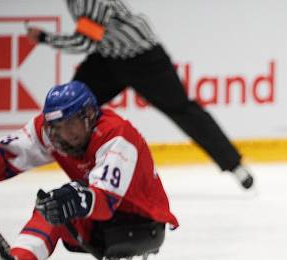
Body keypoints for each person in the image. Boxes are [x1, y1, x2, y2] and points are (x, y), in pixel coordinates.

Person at [0, 81, 178, 260]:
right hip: (102, 220)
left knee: (61, 202)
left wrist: (76, 199)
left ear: (89, 115)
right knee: (51, 205)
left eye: (72, 123)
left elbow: (105, 202)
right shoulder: (49, 132)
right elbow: (4, 163)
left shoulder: (117, 134)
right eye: (58, 126)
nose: (66, 134)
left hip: (140, 222)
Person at [25, 0, 254, 190]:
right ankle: (48, 160)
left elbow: (84, 41)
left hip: (144, 59)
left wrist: (45, 38)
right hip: (108, 58)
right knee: (69, 109)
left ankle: (234, 165)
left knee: (183, 109)